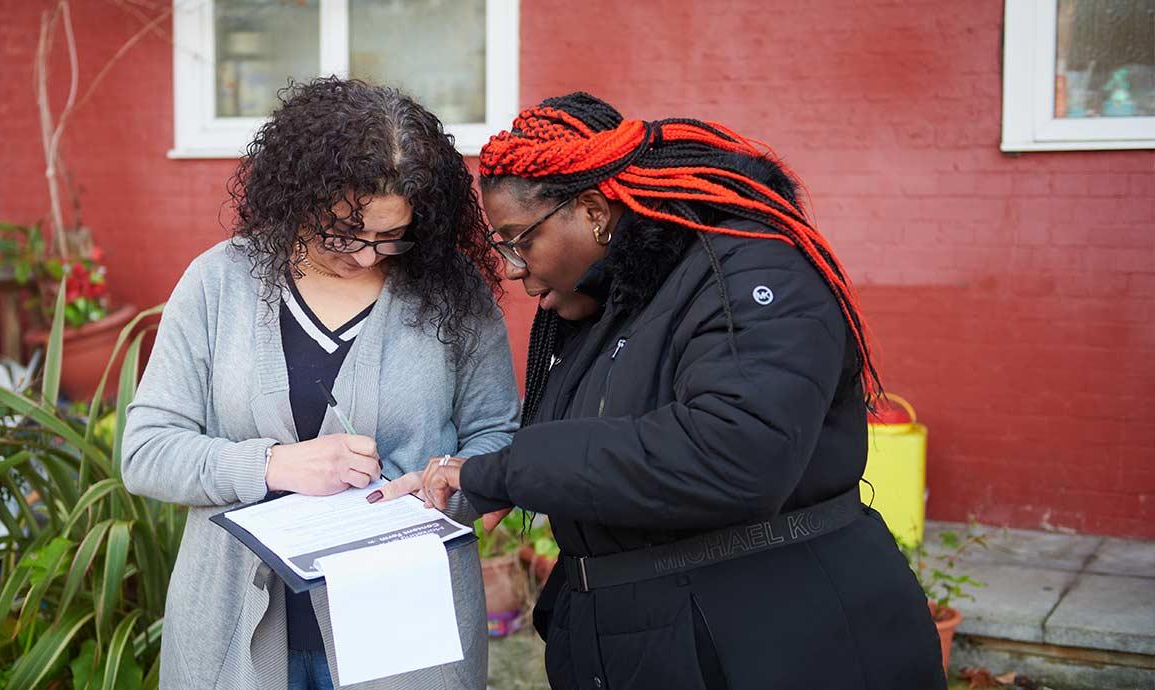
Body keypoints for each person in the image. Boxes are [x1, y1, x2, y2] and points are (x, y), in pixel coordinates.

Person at [384, 93, 946, 689]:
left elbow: (732, 455)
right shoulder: (618, 299)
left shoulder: (751, 272)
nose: (515, 267)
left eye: (518, 240)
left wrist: (508, 470)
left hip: (781, 648)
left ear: (595, 211)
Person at [121, 77, 518, 690]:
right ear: (296, 196)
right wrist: (273, 465)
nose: (366, 257)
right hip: (232, 630)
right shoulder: (217, 285)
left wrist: (442, 485)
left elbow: (498, 440)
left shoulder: (452, 294)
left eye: (391, 237)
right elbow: (146, 453)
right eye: (344, 233)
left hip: (408, 635)